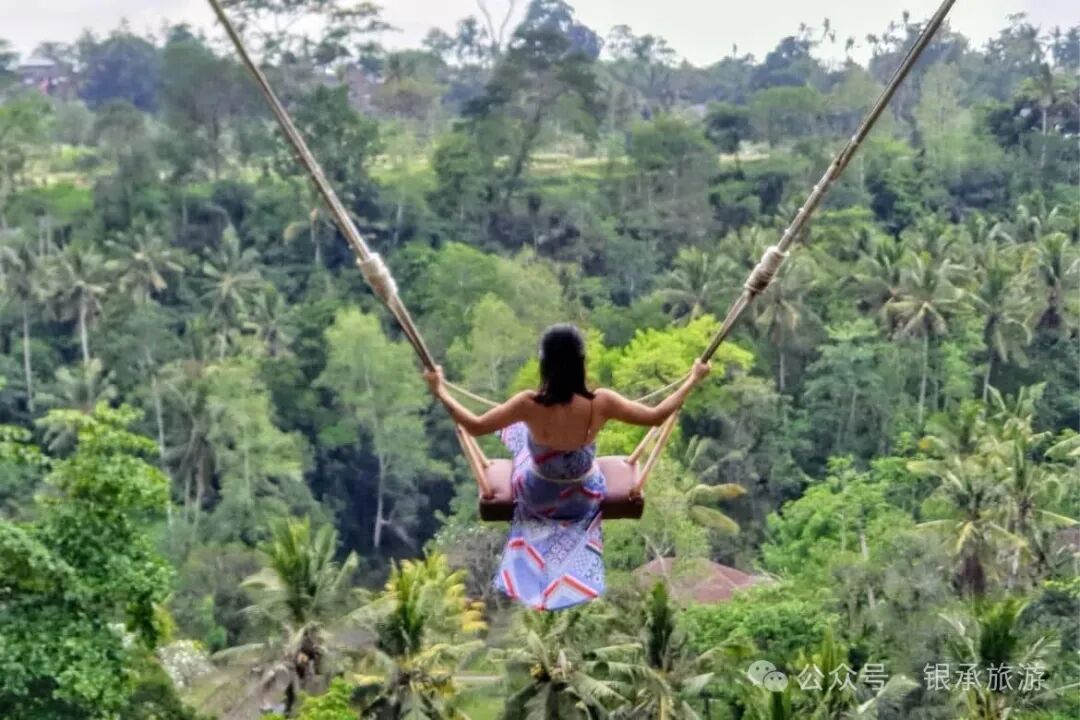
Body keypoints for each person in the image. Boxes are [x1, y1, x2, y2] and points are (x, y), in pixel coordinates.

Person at [424, 323, 710, 610]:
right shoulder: (602, 403)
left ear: (544, 365)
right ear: (581, 364)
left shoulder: (528, 404)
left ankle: (542, 454)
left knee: (523, 439)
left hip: (537, 496)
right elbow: (657, 415)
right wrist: (693, 379)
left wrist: (440, 391)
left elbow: (474, 426)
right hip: (581, 498)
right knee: (536, 442)